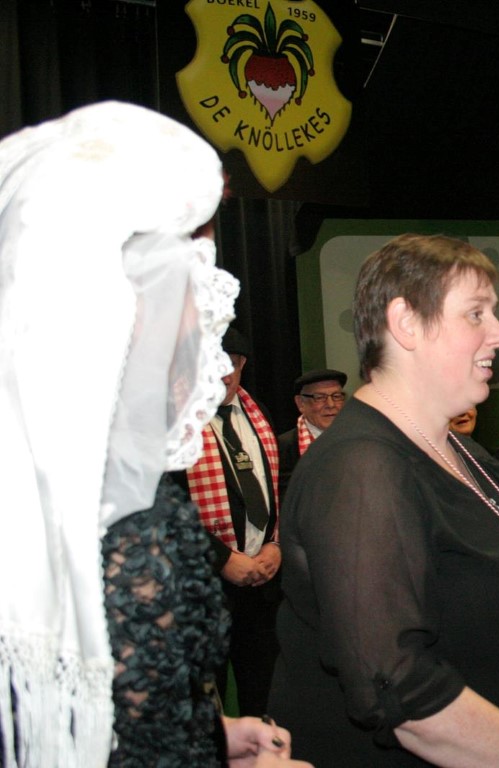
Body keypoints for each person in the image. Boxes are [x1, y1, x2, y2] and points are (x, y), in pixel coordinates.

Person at [0, 100, 307, 767]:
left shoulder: (94, 462)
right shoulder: (91, 495)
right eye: (190, 280)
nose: (204, 316)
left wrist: (213, 735)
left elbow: (114, 706)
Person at [267, 234, 499, 767]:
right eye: (476, 314)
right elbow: (399, 688)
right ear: (406, 323)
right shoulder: (361, 469)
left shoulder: (461, 451)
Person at [174, 327, 283, 716]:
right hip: (203, 589)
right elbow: (164, 510)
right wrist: (221, 559)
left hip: (263, 584)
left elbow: (278, 487)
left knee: (264, 696)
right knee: (207, 703)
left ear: (242, 366)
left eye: (231, 364)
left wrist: (276, 543)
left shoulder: (258, 413)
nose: (222, 374)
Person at [277, 368, 348, 495]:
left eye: (336, 396)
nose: (331, 404)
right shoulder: (283, 448)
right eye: (320, 397)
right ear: (300, 403)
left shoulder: (358, 440)